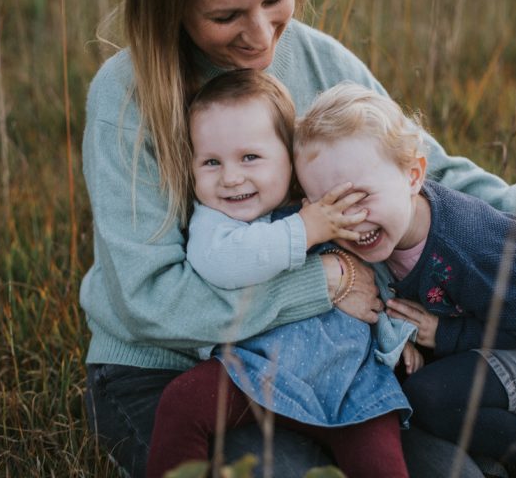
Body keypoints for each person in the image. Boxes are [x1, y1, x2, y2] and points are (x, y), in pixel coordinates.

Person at [80, 0, 516, 476]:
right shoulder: (125, 98)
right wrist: (323, 283)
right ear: (171, 7)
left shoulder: (316, 59)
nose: (261, 36)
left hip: (322, 358)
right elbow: (149, 301)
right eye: (226, 16)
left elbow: (421, 166)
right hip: (165, 368)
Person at [292, 82, 516, 478]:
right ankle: (488, 453)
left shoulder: (467, 246)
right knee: (418, 383)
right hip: (486, 321)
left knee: (431, 398)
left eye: (362, 197)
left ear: (413, 175)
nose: (351, 221)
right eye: (329, 207)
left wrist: (446, 335)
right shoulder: (384, 229)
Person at [147, 68, 416, 478]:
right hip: (255, 372)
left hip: (351, 381)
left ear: (290, 158)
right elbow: (224, 262)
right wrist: (305, 229)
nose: (231, 177)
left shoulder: (317, 200)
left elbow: (374, 275)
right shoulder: (217, 224)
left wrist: (396, 335)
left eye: (250, 157)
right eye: (211, 162)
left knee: (381, 458)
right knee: (182, 401)